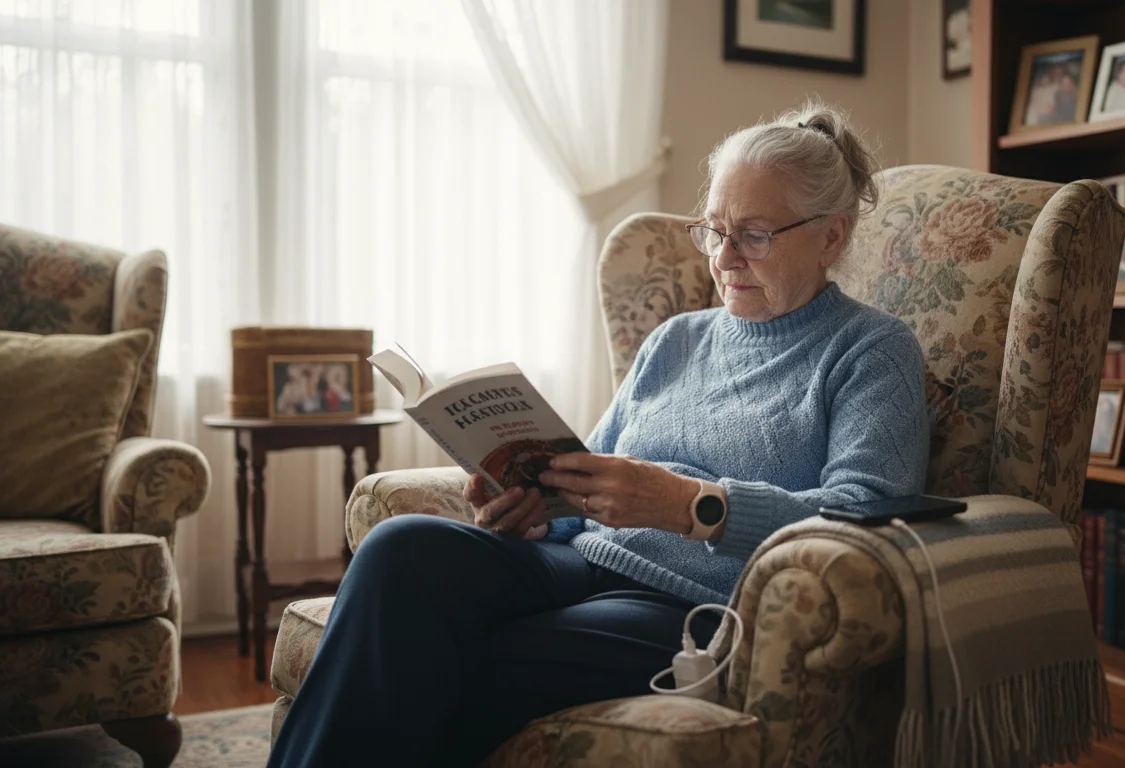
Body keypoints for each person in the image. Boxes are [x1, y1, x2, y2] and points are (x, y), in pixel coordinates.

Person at [266, 101, 931, 768]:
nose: (723, 258)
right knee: (400, 547)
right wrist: (529, 509)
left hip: (690, 604)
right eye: (714, 230)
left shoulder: (870, 351)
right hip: (578, 561)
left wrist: (688, 506)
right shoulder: (676, 340)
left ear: (831, 236)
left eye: (753, 235)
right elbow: (588, 477)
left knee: (446, 658)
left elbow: (871, 515)